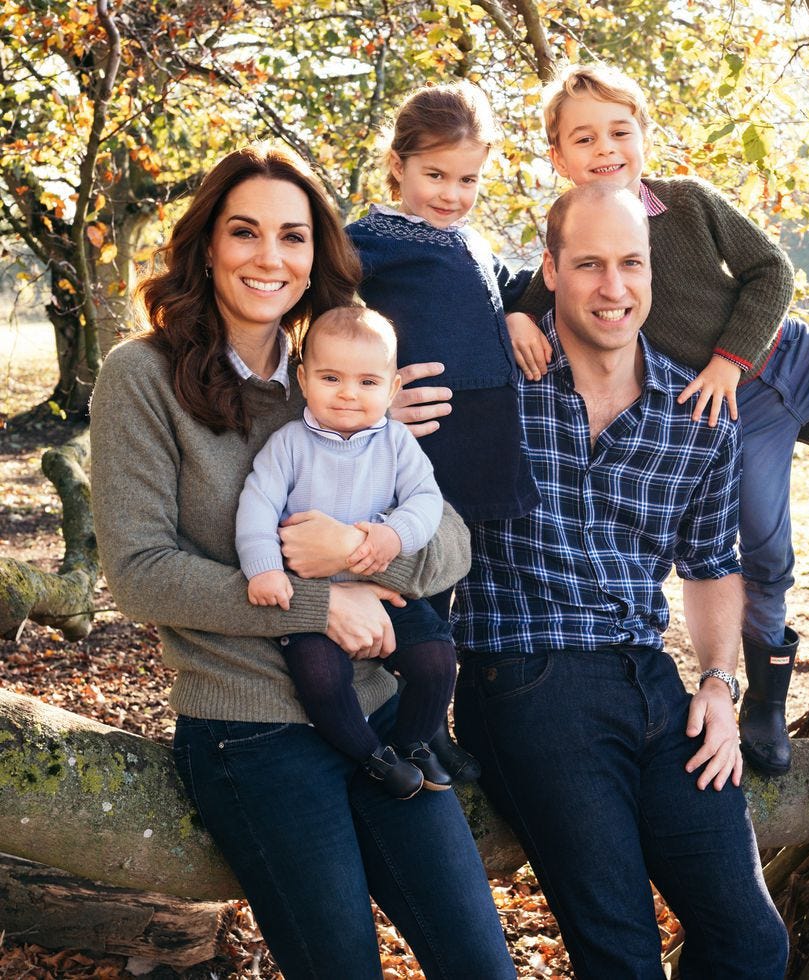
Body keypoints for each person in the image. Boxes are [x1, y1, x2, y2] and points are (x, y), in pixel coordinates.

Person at [90, 143, 516, 980]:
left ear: (317, 254)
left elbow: (453, 540)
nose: (269, 257)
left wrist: (364, 554)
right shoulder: (139, 377)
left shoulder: (342, 377)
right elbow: (140, 572)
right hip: (250, 727)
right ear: (207, 244)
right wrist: (323, 606)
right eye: (244, 232)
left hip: (381, 711)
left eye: (293, 236)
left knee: (482, 965)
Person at [506, 61, 809, 776]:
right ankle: (766, 706)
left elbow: (772, 271)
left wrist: (728, 358)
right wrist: (513, 318)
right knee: (765, 554)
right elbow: (537, 294)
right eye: (584, 139)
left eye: (620, 131)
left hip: (789, 355)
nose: (606, 149)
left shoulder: (688, 203)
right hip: (735, 414)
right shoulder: (579, 241)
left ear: (644, 135)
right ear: (559, 158)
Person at [448, 182, 790, 978]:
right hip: (526, 676)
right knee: (622, 955)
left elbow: (711, 563)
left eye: (630, 264)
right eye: (590, 264)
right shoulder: (494, 382)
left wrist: (717, 682)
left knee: (751, 943)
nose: (614, 287)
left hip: (650, 680)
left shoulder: (696, 409)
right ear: (551, 270)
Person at [346, 80, 540, 779]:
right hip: (424, 441)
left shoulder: (471, 239)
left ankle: (434, 723)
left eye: (468, 179)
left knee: (451, 589)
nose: (452, 194)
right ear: (397, 165)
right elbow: (319, 319)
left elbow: (509, 285)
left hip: (483, 441)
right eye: (435, 175)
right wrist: (368, 393)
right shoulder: (369, 241)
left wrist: (518, 312)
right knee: (416, 587)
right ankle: (409, 726)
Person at [236, 306, 457, 800]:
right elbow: (256, 505)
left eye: (367, 381)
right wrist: (265, 569)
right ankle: (371, 756)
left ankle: (414, 741)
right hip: (310, 598)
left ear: (392, 388)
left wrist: (392, 536)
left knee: (436, 658)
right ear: (303, 378)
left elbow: (426, 502)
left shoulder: (397, 443)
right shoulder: (288, 444)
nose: (348, 393)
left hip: (379, 590)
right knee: (320, 677)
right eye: (330, 377)